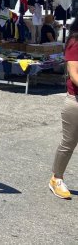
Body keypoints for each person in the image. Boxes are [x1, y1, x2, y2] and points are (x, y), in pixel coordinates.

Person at [48, 20, 78, 199]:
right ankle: (56, 178)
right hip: (75, 101)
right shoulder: (75, 43)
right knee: (69, 143)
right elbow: (74, 74)